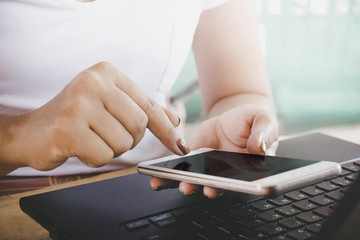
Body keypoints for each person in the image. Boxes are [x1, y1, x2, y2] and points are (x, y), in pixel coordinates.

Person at [0, 0, 278, 199]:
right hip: (12, 192)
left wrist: (236, 132)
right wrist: (17, 135)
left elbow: (238, 91)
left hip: (158, 185)